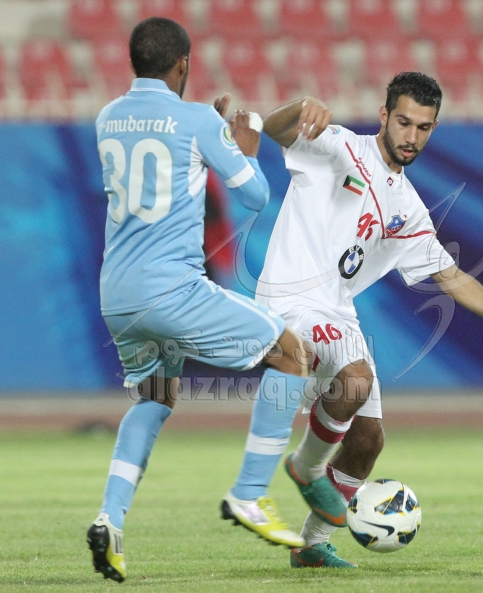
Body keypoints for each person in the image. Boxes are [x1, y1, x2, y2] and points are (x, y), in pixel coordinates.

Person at [223, 72, 483, 568]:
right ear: (384, 116)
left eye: (423, 128)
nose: (411, 136)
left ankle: (312, 545)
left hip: (337, 311)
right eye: (404, 122)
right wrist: (300, 107)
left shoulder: (408, 207)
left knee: (368, 441)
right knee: (356, 380)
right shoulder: (340, 146)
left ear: (433, 129)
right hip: (291, 299)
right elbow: (276, 131)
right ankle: (306, 468)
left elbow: (450, 276)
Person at [87, 17, 311, 583]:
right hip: (170, 288)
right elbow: (255, 196)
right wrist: (243, 149)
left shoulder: (107, 117)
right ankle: (249, 495)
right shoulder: (197, 121)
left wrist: (207, 137)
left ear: (134, 60)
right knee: (292, 354)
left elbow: (160, 155)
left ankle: (110, 519)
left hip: (117, 293)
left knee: (156, 398)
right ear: (183, 63)